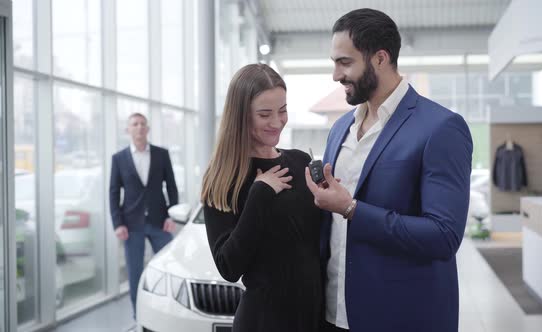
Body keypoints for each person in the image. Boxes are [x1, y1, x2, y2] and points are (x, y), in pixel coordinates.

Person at [304, 8, 473, 332]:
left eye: (345, 62)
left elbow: (443, 236)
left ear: (380, 58)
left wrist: (351, 209)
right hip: (331, 313)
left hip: (400, 316)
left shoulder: (440, 128)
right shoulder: (341, 128)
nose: (336, 75)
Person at [201, 64, 323, 332]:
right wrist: (259, 195)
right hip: (264, 321)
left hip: (314, 317)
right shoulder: (224, 178)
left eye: (283, 111)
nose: (277, 122)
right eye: (265, 114)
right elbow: (229, 267)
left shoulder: (300, 161)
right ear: (241, 116)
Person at [109, 113, 178, 330]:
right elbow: (113, 192)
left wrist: (171, 215)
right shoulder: (119, 158)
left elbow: (172, 187)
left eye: (142, 124)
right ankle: (139, 318)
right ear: (128, 130)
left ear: (147, 129)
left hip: (160, 222)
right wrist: (117, 223)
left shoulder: (161, 154)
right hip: (131, 225)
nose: (139, 128)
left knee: (169, 270)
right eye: (134, 124)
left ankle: (169, 314)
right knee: (135, 272)